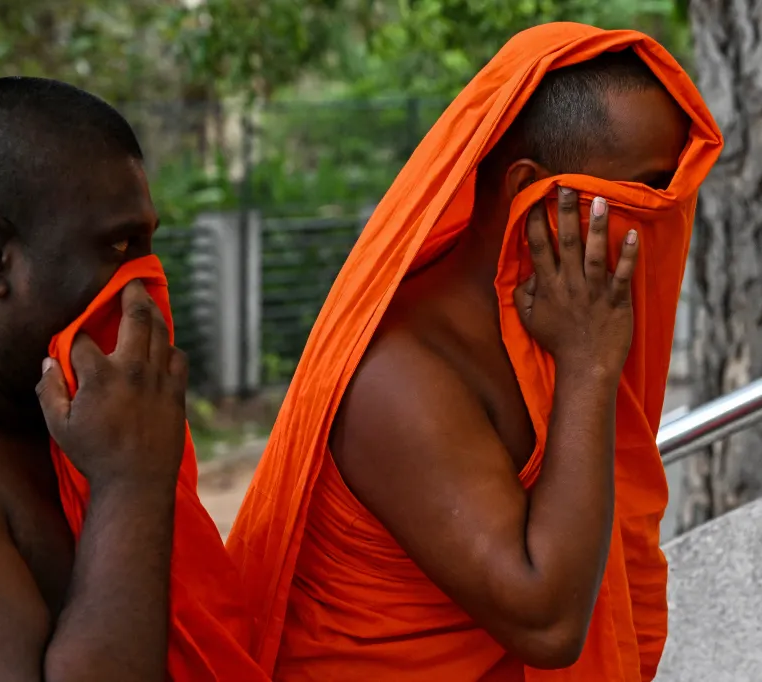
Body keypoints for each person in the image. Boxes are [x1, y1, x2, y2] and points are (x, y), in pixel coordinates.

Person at [227, 23, 723, 682]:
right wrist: (588, 368)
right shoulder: (402, 375)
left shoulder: (549, 325)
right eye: (645, 190)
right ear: (530, 192)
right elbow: (547, 622)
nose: (662, 218)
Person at [0, 77, 265, 682]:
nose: (145, 283)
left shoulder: (31, 405)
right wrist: (130, 483)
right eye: (117, 246)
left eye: (148, 247)